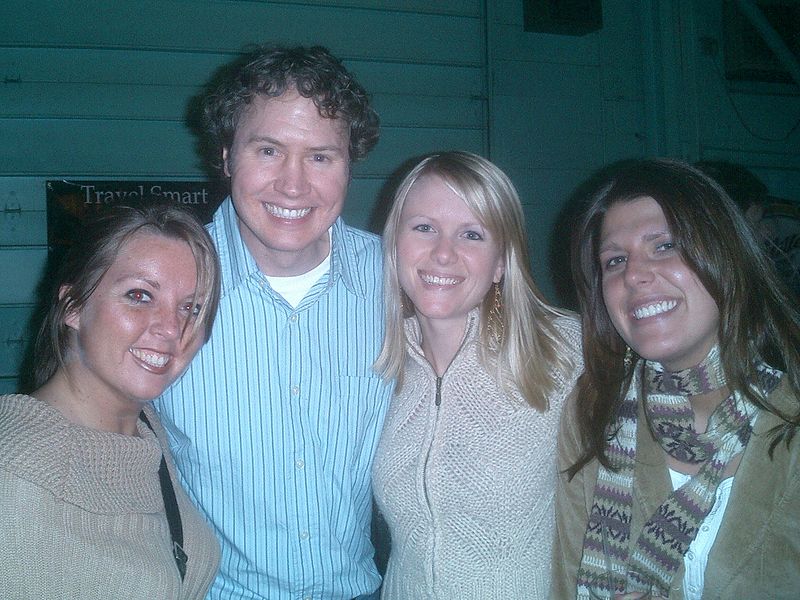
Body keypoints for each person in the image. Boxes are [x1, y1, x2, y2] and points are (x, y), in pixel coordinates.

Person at [155, 44, 393, 599]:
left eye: (321, 157)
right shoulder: (165, 281)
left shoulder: (398, 280)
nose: (293, 184)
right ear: (225, 157)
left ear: (350, 165)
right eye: (268, 150)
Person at [552, 158, 800, 599]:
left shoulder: (790, 416)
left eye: (664, 245)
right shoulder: (591, 413)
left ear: (727, 254)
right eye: (615, 260)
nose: (634, 274)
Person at [371, 151, 583, 599]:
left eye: (471, 234)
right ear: (394, 244)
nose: (443, 253)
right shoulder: (376, 362)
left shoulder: (565, 350)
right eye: (424, 227)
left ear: (501, 261)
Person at [0, 202, 222, 599]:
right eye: (140, 295)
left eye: (190, 308)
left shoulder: (145, 427)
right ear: (73, 307)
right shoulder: (16, 478)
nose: (172, 328)